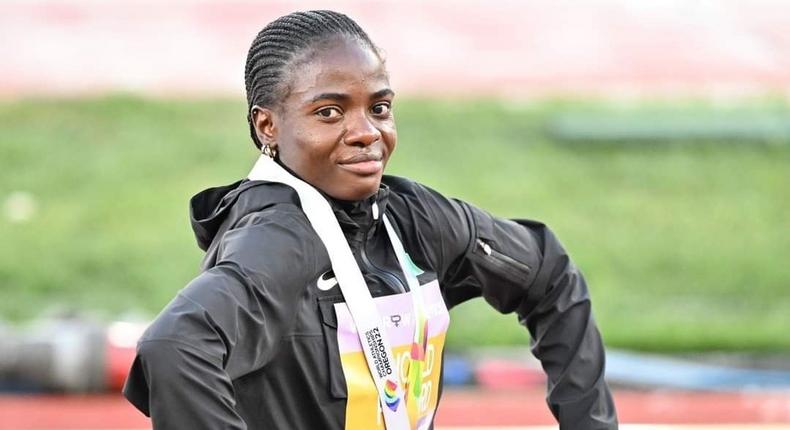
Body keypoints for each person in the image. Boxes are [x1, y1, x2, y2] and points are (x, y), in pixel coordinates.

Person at [123, 10, 618, 430]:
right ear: (267, 125)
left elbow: (548, 272)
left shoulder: (412, 218)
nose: (366, 132)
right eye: (330, 113)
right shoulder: (277, 239)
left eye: (378, 107)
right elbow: (176, 346)